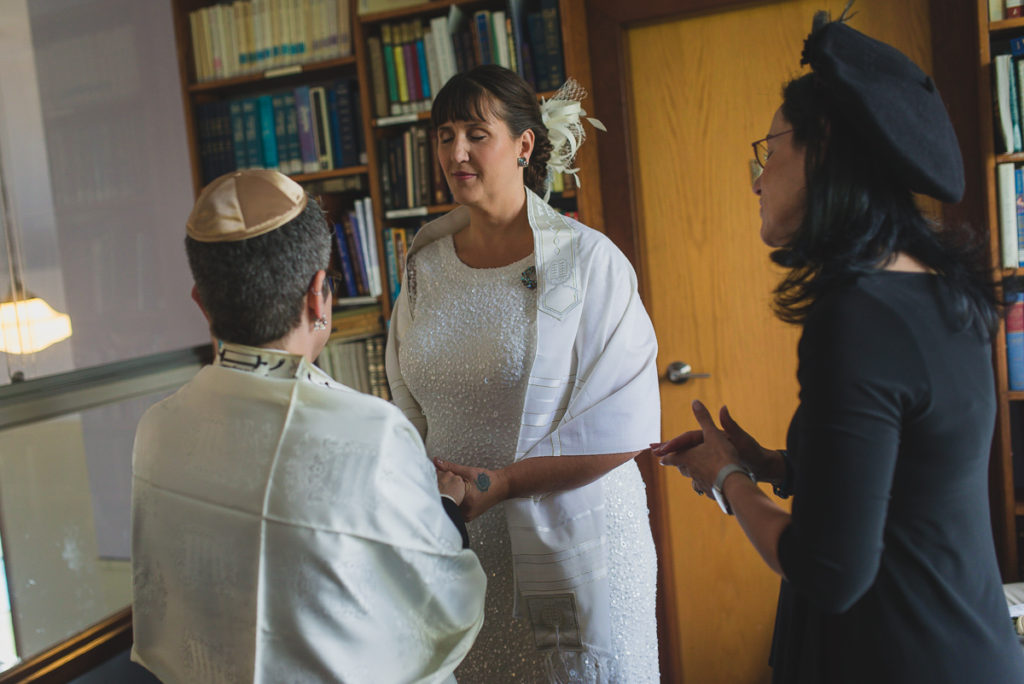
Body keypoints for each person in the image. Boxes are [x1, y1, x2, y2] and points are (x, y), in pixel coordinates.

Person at [653, 9, 1024, 683]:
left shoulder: (857, 316)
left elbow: (829, 572)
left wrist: (727, 481)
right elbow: (915, 477)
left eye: (770, 150)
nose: (758, 179)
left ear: (821, 148)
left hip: (898, 655)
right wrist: (772, 464)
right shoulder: (940, 288)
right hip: (965, 643)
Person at [130, 169, 486, 683]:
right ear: (319, 295)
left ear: (201, 303)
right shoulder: (371, 434)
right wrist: (447, 507)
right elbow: (442, 601)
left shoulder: (156, 429)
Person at [385, 65, 660, 682]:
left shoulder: (590, 262)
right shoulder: (423, 268)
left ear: (524, 145)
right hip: (464, 540)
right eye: (444, 134)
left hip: (571, 539)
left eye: (476, 134)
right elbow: (406, 404)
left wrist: (506, 482)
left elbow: (623, 421)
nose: (456, 152)